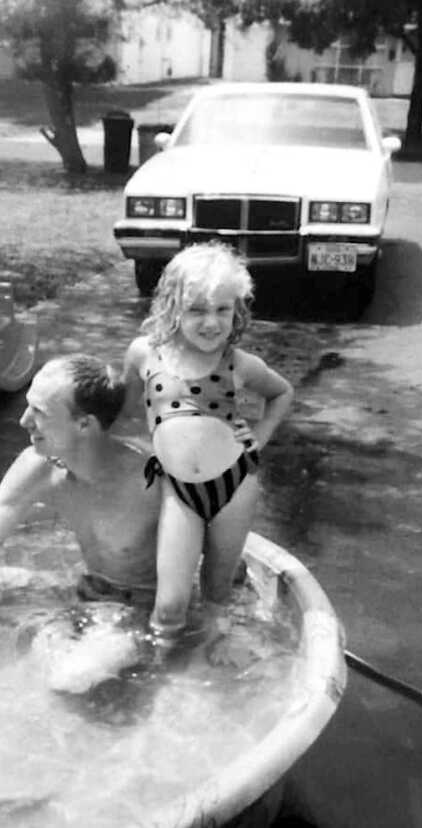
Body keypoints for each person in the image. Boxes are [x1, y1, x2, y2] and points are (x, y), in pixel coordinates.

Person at [0, 353, 162, 691]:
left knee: (69, 678)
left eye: (40, 413)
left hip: (137, 615)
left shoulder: (150, 481)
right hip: (82, 589)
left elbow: (214, 555)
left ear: (84, 425)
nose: (23, 420)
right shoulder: (39, 467)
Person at [121, 242, 293, 646]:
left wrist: (260, 439)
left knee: (216, 592)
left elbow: (282, 393)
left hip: (235, 487)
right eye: (196, 309)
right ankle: (165, 675)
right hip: (179, 492)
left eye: (222, 309)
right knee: (170, 604)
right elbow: (128, 414)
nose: (211, 322)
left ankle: (205, 673)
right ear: (171, 306)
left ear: (237, 312)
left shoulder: (240, 364)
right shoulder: (146, 354)